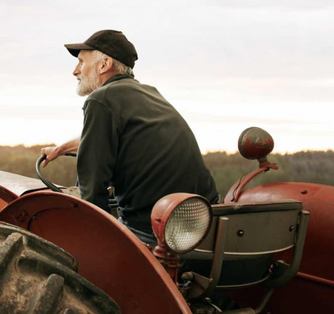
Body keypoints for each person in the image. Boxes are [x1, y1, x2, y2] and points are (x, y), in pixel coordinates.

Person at [41, 29, 218, 234]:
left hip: (155, 228)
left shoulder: (101, 99)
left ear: (104, 64)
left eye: (81, 62)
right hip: (204, 217)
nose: (75, 71)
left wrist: (97, 232)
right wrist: (61, 148)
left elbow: (93, 187)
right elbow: (109, 137)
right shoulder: (147, 93)